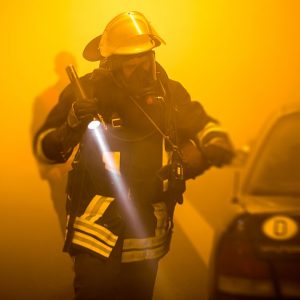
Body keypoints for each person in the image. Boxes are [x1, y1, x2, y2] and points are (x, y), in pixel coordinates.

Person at [33, 11, 234, 300]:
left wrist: (210, 147)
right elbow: (46, 148)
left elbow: (203, 125)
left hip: (148, 228)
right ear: (111, 64)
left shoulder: (170, 94)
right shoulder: (86, 92)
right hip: (97, 229)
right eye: (131, 64)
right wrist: (73, 123)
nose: (141, 72)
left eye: (147, 62)